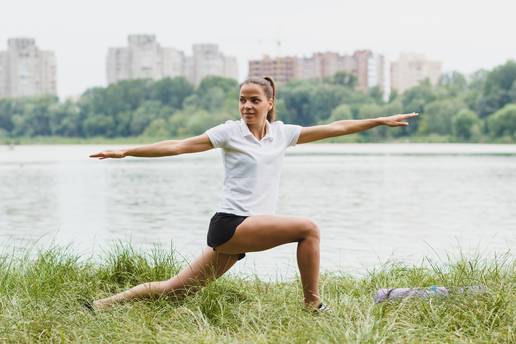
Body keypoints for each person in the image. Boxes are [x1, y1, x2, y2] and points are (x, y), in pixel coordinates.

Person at [89, 76, 417, 313]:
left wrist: (378, 121)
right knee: (309, 229)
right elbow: (177, 145)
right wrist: (127, 151)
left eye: (254, 100)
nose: (247, 106)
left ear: (269, 103)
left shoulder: (282, 135)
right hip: (230, 225)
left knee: (177, 290)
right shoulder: (229, 133)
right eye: (243, 100)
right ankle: (313, 304)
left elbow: (335, 127)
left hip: (246, 228)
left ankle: (98, 306)